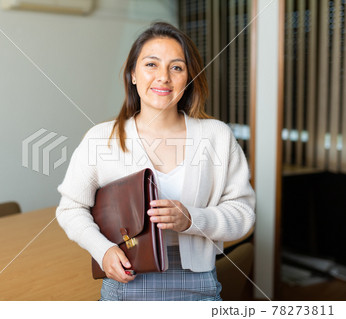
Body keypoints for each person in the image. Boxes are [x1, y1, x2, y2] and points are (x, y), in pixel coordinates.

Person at [56, 21, 255, 301]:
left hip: (198, 284)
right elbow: (71, 208)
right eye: (151, 64)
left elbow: (243, 214)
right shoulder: (101, 138)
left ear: (189, 78)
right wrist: (102, 251)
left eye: (176, 67)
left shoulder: (217, 136)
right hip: (126, 281)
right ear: (133, 74)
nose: (163, 77)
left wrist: (191, 219)